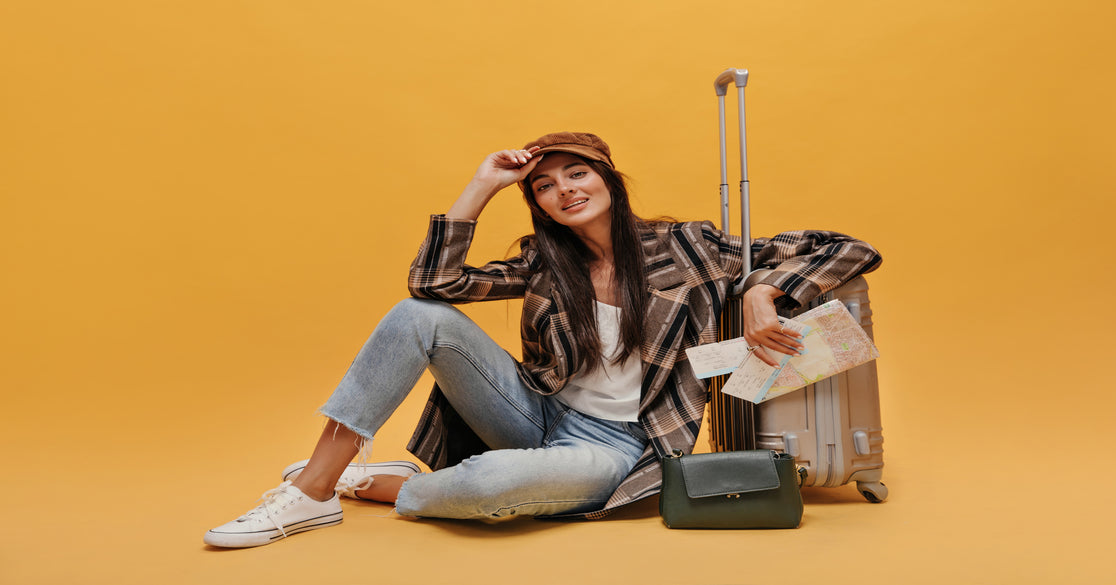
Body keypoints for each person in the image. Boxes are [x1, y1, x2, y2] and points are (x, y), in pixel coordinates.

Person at [204, 131, 882, 548]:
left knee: (489, 488)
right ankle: (314, 490)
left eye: (577, 174)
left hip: (619, 446)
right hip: (533, 410)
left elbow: (847, 247)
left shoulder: (688, 246)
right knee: (416, 315)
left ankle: (380, 484)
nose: (565, 191)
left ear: (607, 177)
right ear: (538, 205)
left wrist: (764, 290)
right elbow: (433, 283)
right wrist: (482, 185)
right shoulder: (544, 262)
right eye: (545, 186)